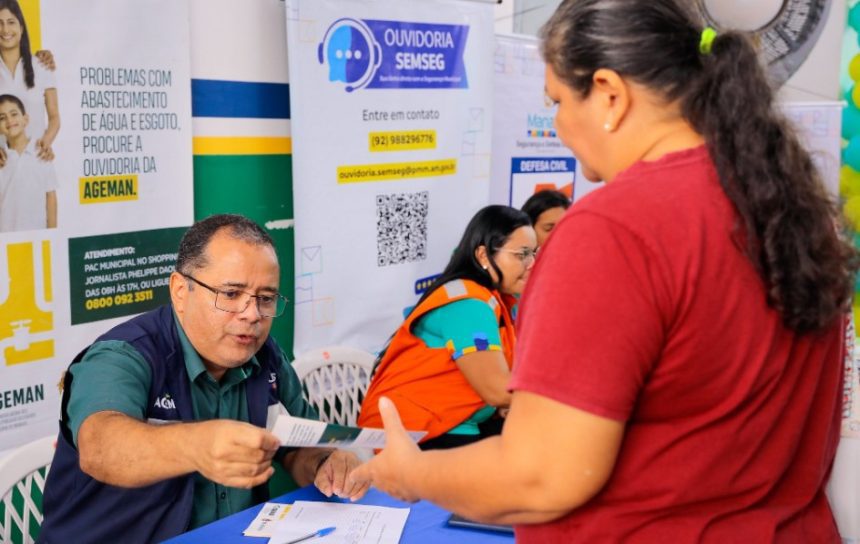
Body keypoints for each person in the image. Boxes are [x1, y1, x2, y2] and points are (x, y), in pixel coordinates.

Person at [349, 1, 857, 542]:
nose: (559, 125)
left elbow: (540, 476)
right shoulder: (794, 213)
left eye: (560, 102)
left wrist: (412, 473)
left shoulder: (614, 229)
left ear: (611, 94)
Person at [39, 215, 368, 544]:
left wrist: (326, 463)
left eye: (265, 298)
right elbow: (101, 448)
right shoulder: (122, 357)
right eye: (230, 294)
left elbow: (299, 450)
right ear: (181, 291)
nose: (252, 313)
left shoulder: (265, 356)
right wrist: (199, 445)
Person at [358, 205, 536, 450]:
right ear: (484, 256)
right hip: (410, 434)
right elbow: (497, 390)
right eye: (521, 254)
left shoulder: (497, 299)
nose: (532, 263)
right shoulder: (468, 305)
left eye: (534, 253)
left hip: (455, 423)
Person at [0, 0, 59, 160]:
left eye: (11, 22)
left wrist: (45, 143)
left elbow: (54, 117)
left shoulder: (42, 65)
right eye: (0, 23)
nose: (5, 29)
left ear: (21, 28)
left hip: (37, 163)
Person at [0, 93, 56, 231]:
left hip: (37, 235)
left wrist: (53, 234)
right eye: (2, 118)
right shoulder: (2, 157)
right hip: (5, 236)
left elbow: (50, 197)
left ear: (25, 119)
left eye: (14, 114)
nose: (9, 120)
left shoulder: (42, 153)